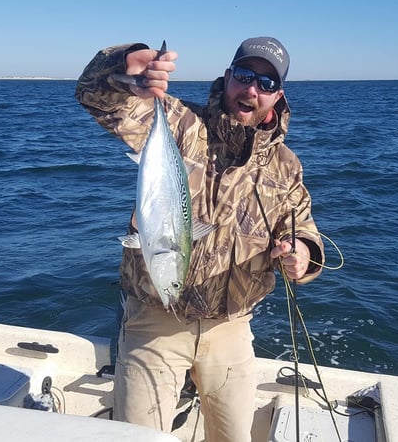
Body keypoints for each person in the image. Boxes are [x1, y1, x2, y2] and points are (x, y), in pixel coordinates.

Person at [75, 37, 324, 441]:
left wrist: (301, 253)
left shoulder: (285, 167)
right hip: (155, 321)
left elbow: (302, 228)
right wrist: (125, 66)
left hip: (231, 328)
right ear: (227, 78)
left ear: (278, 95)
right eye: (244, 76)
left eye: (265, 83)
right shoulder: (178, 123)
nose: (251, 90)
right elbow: (93, 95)